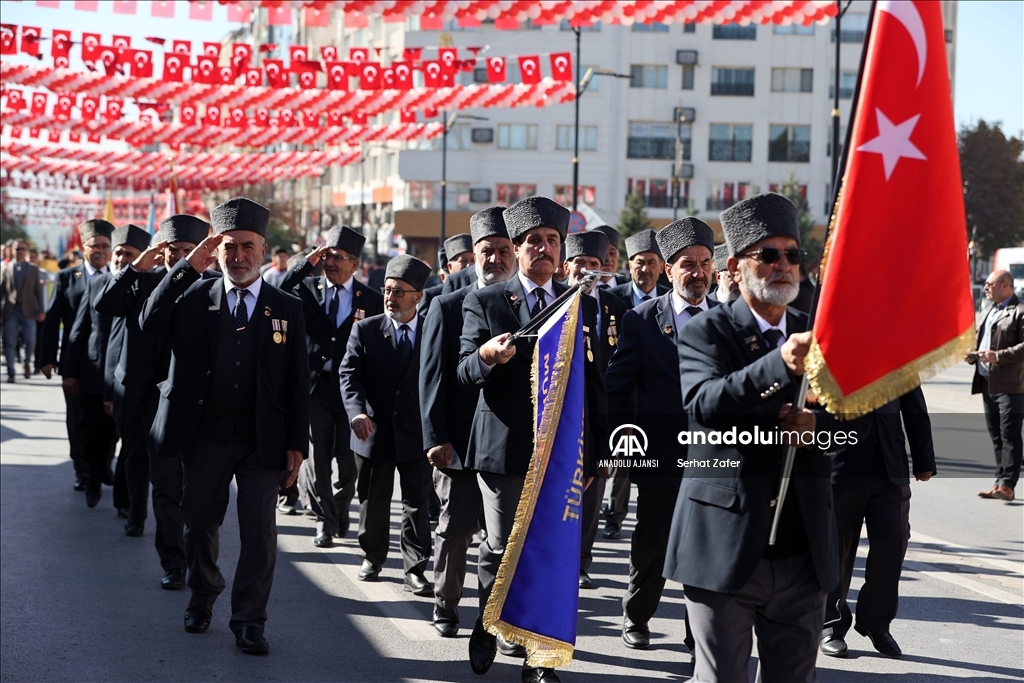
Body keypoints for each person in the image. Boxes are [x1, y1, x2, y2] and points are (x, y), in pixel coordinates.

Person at [665, 193, 840, 683]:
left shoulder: (817, 332)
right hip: (724, 547)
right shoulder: (707, 331)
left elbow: (853, 421)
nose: (783, 265)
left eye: (791, 255)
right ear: (738, 265)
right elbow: (704, 403)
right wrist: (778, 363)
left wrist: (816, 429)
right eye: (769, 255)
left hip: (803, 554)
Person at [140, 197, 310, 655]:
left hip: (262, 441)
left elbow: (297, 383)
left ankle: (249, 620)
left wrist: (298, 445)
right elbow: (150, 320)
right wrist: (186, 267)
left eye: (247, 247)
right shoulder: (194, 294)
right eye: (229, 247)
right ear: (216, 250)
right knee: (199, 525)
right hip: (206, 434)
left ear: (262, 247)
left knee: (260, 534)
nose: (238, 256)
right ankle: (202, 595)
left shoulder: (286, 307)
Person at [458, 196, 605, 683]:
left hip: (562, 452)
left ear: (560, 251)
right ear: (517, 250)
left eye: (551, 242)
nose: (542, 249)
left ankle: (537, 657)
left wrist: (600, 453)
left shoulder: (580, 303)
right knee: (503, 547)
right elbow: (462, 370)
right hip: (505, 447)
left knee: (548, 550)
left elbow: (594, 382)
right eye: (533, 242)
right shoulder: (487, 301)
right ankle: (485, 624)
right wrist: (486, 357)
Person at [605, 217, 717, 654]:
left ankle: (699, 630)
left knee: (706, 546)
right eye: (687, 264)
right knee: (652, 543)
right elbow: (618, 387)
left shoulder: (728, 321)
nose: (698, 272)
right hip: (659, 456)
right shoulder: (641, 320)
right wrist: (611, 445)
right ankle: (637, 616)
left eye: (705, 263)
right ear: (668, 270)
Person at [95, 215, 210, 586]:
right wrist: (135, 267)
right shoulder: (140, 281)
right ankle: (157, 542)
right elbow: (105, 304)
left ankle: (185, 560)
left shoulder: (209, 288)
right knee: (148, 469)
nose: (177, 258)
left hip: (186, 397)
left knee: (182, 485)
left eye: (186, 252)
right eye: (171, 251)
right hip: (144, 395)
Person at [420, 207, 516, 637]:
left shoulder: (525, 304)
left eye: (502, 250)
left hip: (504, 442)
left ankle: (491, 616)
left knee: (499, 541)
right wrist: (435, 437)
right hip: (458, 439)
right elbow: (432, 377)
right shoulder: (447, 305)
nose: (494, 258)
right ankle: (446, 602)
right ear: (473, 255)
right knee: (457, 527)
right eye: (485, 251)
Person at [279, 226, 384, 547]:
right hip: (314, 388)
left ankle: (340, 506)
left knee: (348, 460)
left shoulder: (372, 299)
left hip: (352, 392)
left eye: (339, 258)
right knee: (318, 458)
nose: (331, 263)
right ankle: (324, 520)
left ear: (355, 264)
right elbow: (282, 289)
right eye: (327, 256)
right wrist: (306, 262)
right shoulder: (307, 288)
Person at [339, 254, 433, 596]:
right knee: (373, 499)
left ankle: (415, 568)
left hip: (418, 433)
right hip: (373, 431)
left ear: (418, 296)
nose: (391, 297)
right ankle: (373, 555)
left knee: (416, 503)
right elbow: (349, 376)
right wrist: (357, 412)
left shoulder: (432, 331)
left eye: (399, 291)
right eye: (387, 290)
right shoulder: (365, 329)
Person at [820, 387, 935, 659]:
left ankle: (876, 622)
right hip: (840, 465)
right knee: (837, 551)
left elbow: (914, 405)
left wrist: (923, 458)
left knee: (893, 543)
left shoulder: (897, 350)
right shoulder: (828, 346)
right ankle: (831, 627)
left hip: (889, 466)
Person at [64, 225, 149, 508]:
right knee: (94, 436)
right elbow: (78, 330)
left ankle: (124, 500)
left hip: (129, 378)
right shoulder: (99, 284)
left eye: (130, 254)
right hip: (94, 374)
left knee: (129, 442)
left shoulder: (149, 285)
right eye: (120, 253)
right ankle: (92, 480)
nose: (123, 258)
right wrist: (70, 372)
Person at [560, 229, 623, 590]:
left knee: (592, 490)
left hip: (602, 415)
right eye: (580, 263)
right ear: (566, 266)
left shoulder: (616, 306)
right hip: (562, 410)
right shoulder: (556, 302)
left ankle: (582, 561)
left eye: (595, 264)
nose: (587, 270)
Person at [603, 229, 671, 538]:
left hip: (654, 402)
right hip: (621, 393)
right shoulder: (611, 299)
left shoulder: (672, 298)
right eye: (639, 262)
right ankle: (614, 517)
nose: (645, 268)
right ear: (629, 265)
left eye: (652, 262)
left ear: (661, 266)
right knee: (618, 461)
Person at [41, 220, 114, 492]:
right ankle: (82, 469)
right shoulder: (67, 278)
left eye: (105, 246)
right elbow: (52, 321)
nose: (100, 250)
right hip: (76, 362)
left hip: (109, 363)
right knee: (78, 418)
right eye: (94, 245)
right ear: (83, 248)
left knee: (110, 421)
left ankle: (104, 467)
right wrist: (47, 358)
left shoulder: (120, 277)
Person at [970, 269, 1024, 501]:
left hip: (1011, 384)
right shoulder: (989, 310)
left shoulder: (1019, 312)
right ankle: (999, 481)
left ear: (1005, 285)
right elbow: (981, 338)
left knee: (1009, 434)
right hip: (987, 381)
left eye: (990, 284)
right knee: (996, 435)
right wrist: (973, 354)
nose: (985, 287)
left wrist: (998, 356)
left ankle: (1008, 486)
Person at [1, 240, 47, 382]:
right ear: (12, 251)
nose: (20, 251)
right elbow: (1, 291)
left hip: (28, 310)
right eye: (17, 249)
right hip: (11, 310)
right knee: (10, 341)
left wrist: (41, 310)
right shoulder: (5, 268)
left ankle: (27, 362)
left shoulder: (33, 269)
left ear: (26, 251)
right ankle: (11, 371)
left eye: (22, 249)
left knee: (30, 340)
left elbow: (38, 292)